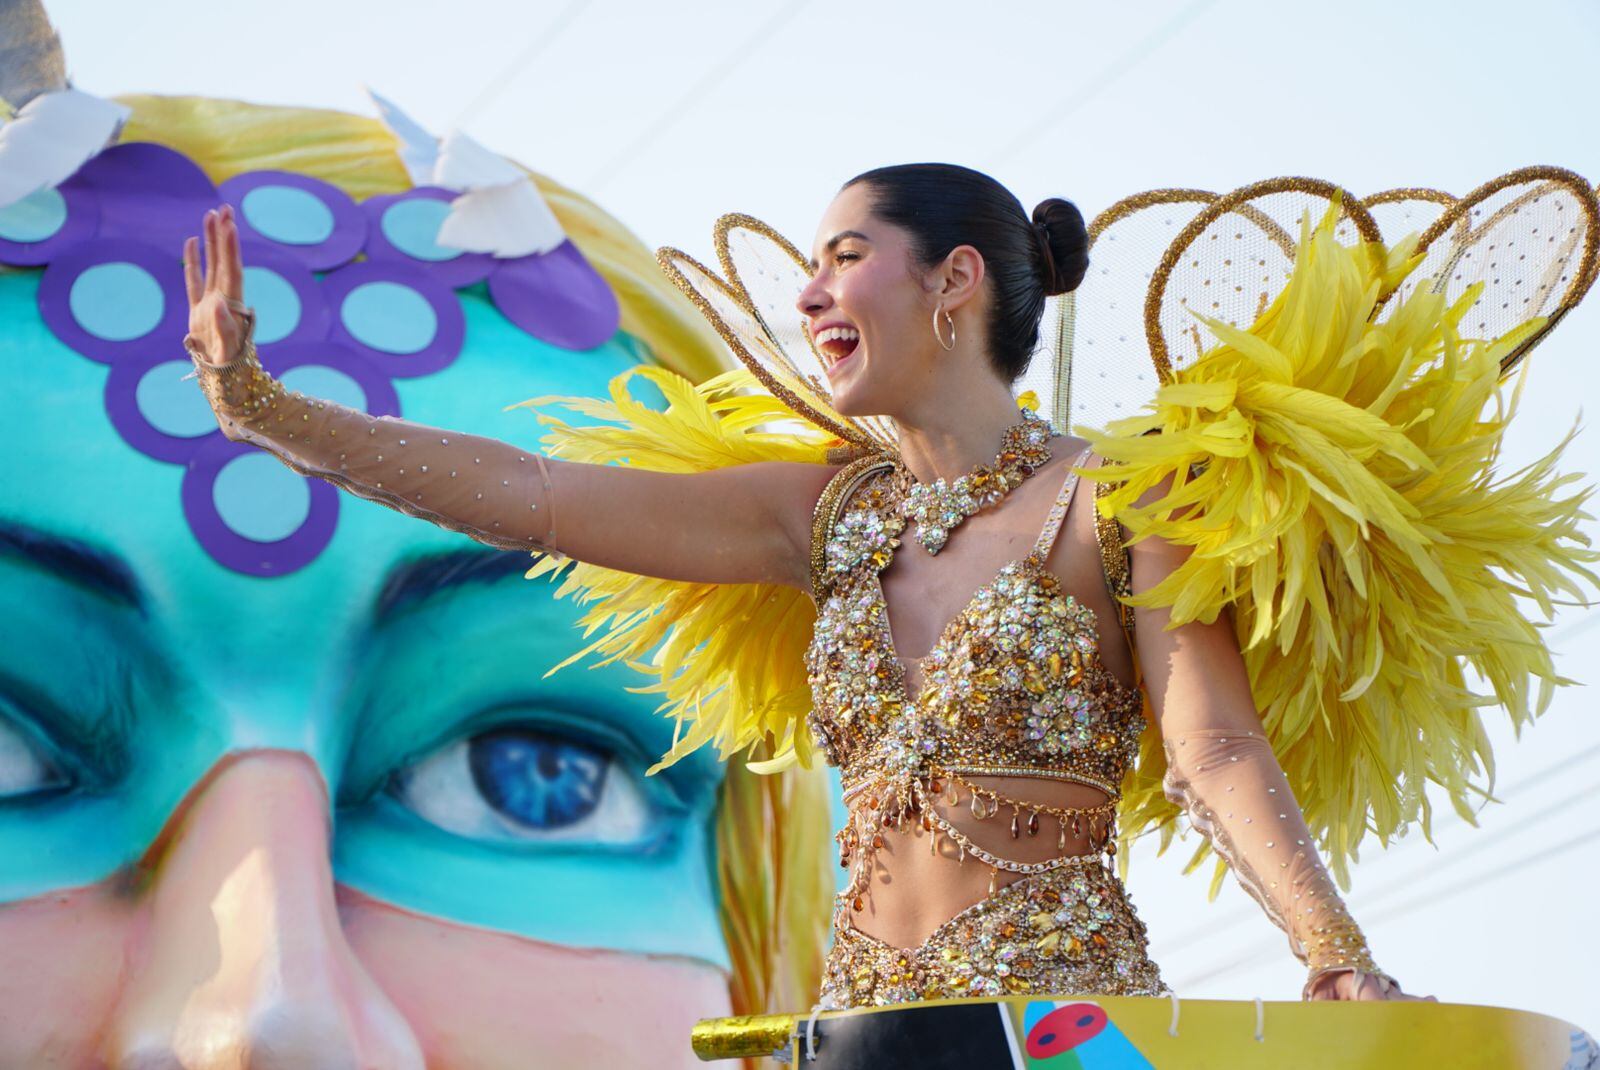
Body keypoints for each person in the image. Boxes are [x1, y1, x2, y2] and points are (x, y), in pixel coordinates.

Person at [186, 162, 1587, 1011]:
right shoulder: (825, 512)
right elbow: (542, 497)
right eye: (807, 267)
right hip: (863, 1014)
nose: (808, 294)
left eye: (844, 255)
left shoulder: (1123, 497)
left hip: (1063, 1017)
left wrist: (1332, 946)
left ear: (955, 284)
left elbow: (1212, 744)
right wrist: (274, 413)